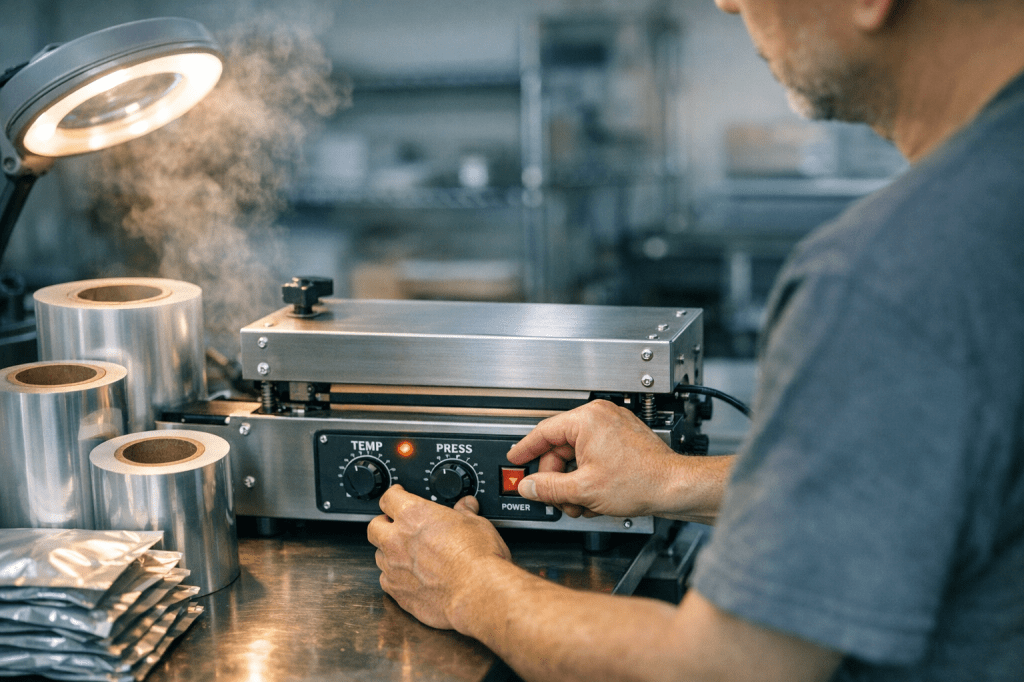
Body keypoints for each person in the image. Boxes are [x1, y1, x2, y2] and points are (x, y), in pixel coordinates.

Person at [368, 0, 1024, 679]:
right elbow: (916, 479)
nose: (728, 2)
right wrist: (672, 479)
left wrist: (471, 585)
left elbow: (716, 668)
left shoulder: (884, 275)